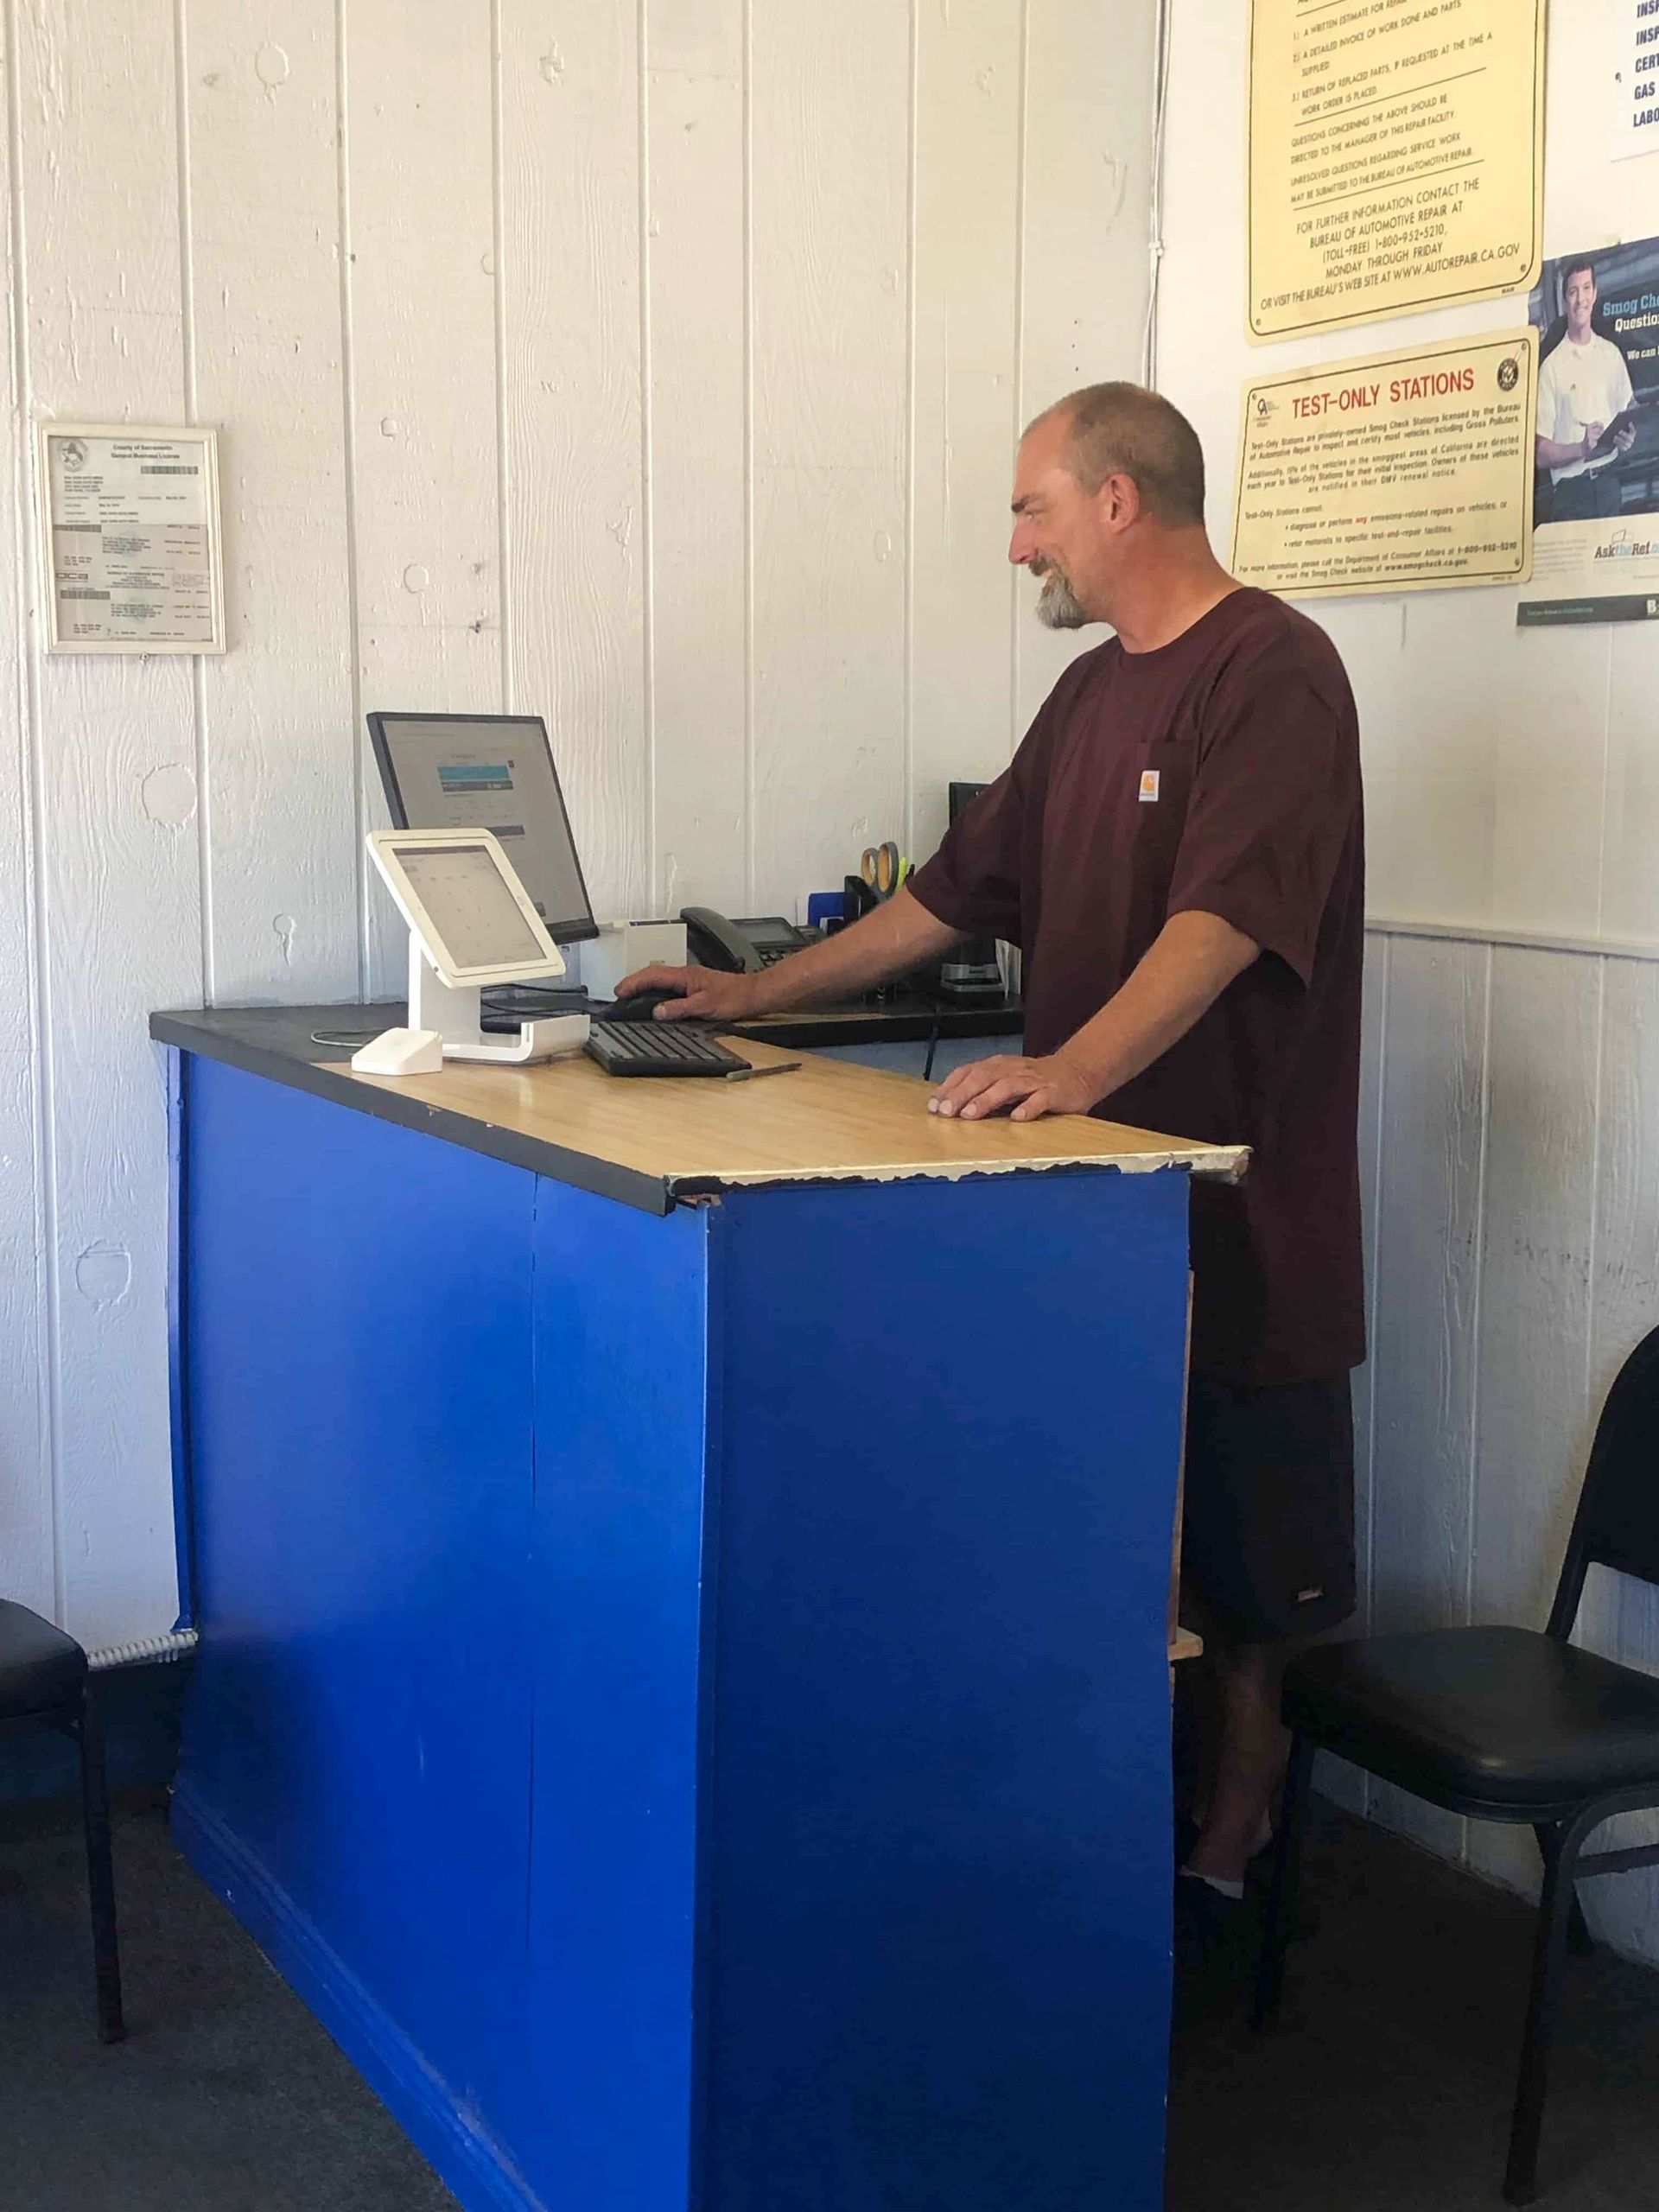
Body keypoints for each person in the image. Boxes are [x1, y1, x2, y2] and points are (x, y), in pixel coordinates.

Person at [618, 381, 1365, 1911]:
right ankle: (1089, 1822)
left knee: (1245, 1550)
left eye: (1032, 507)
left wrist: (1069, 1069)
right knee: (1100, 1516)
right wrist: (748, 992)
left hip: (1243, 1206)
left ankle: (1243, 1807)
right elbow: (952, 894)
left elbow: (1223, 923)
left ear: (1117, 503)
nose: (1015, 541)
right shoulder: (1092, 695)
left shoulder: (1274, 671)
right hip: (1087, 1221)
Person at [1535, 257, 1636, 524]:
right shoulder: (1552, 367)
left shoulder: (1611, 355)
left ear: (1595, 293)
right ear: (1564, 301)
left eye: (1586, 288)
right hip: (1571, 495)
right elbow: (1541, 454)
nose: (1581, 299)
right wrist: (1581, 448)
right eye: (1573, 291)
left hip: (1610, 485)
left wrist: (1627, 438)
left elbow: (1628, 413)